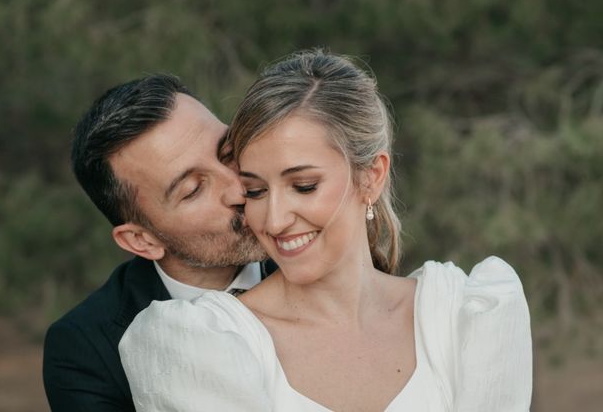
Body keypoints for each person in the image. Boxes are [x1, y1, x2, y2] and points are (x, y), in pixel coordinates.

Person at [120, 51, 533, 411]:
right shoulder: (203, 345)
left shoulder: (463, 316)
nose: (274, 219)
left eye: (304, 186)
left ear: (372, 176)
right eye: (255, 190)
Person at [42, 74, 269, 412]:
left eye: (228, 152)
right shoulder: (87, 350)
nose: (238, 188)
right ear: (142, 240)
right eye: (193, 189)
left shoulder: (323, 253)